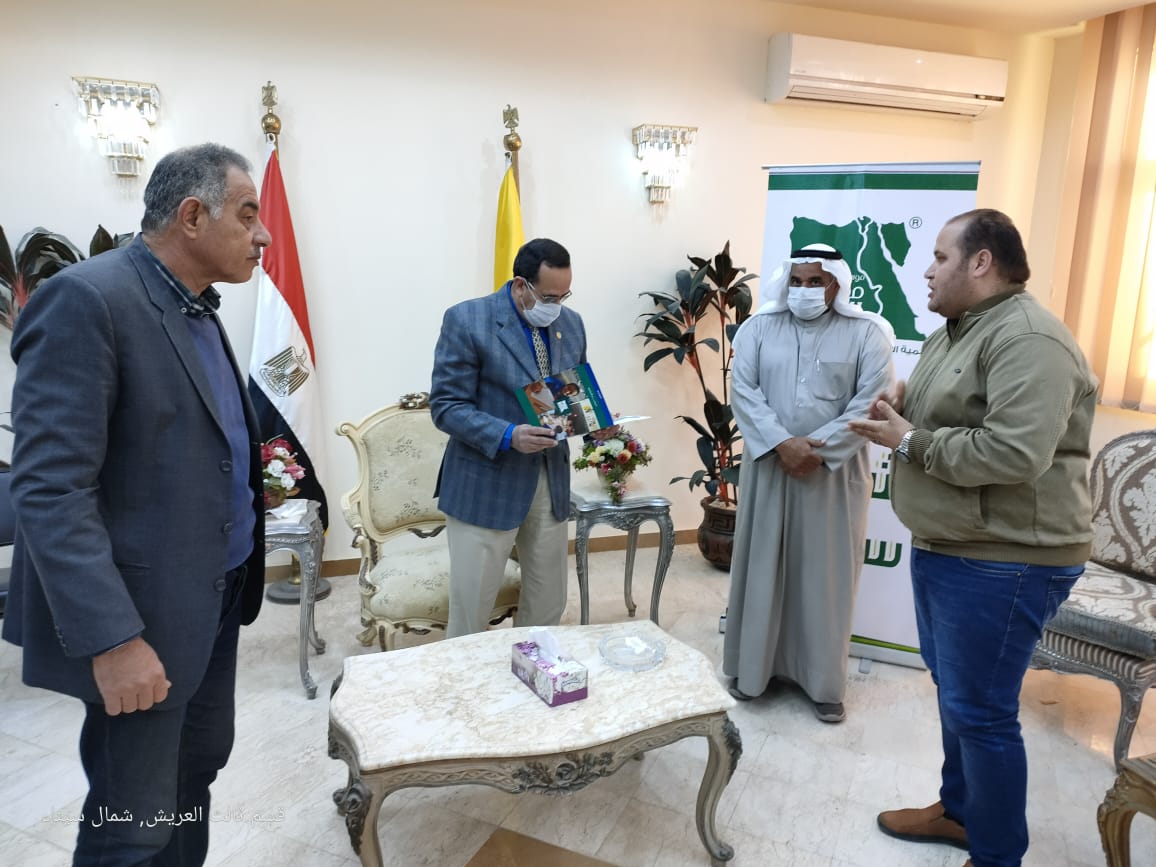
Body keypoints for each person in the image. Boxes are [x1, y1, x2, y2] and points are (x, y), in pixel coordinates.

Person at [2, 143, 270, 865]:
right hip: (141, 619)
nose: (263, 235)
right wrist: (113, 640)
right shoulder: (88, 299)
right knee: (133, 822)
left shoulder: (198, 307)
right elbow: (50, 487)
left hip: (212, 602)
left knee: (194, 774)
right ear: (192, 216)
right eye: (248, 215)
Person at [848, 209, 1098, 867]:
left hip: (1005, 559)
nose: (926, 271)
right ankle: (959, 812)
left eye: (939, 256)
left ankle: (995, 856)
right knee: (959, 697)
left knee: (982, 713)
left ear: (981, 261)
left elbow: (1015, 453)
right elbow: (950, 413)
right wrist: (901, 406)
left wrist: (908, 438)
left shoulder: (1029, 340)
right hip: (950, 544)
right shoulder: (955, 332)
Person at [722, 243, 894, 723]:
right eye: (796, 282)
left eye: (816, 282)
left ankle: (823, 684)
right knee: (762, 567)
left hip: (832, 477)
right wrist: (782, 444)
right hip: (769, 467)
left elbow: (872, 403)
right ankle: (752, 672)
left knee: (825, 577)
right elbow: (743, 391)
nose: (804, 291)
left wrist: (815, 449)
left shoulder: (867, 334)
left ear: (836, 284)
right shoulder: (757, 329)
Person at [430, 238, 587, 637]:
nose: (557, 305)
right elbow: (446, 406)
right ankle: (468, 677)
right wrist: (508, 434)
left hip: (550, 481)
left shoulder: (571, 324)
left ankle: (532, 669)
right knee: (472, 611)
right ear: (521, 286)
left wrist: (593, 420)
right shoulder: (468, 320)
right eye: (549, 297)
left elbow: (569, 395)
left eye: (564, 295)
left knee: (548, 601)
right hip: (487, 482)